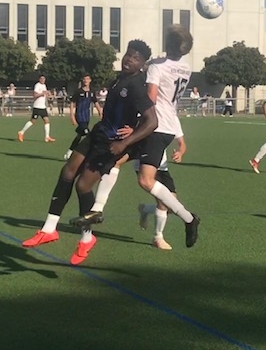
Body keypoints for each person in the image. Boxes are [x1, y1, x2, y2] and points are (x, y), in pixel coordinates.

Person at [21, 40, 157, 265]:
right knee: (67, 171)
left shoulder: (137, 86)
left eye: (136, 58)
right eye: (128, 54)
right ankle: (49, 229)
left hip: (112, 144)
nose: (129, 60)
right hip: (98, 133)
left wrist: (126, 142)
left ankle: (86, 239)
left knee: (83, 186)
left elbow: (152, 121)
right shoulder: (119, 79)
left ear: (142, 64)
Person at [73, 24, 200, 254]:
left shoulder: (156, 67)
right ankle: (97, 210)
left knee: (145, 180)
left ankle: (189, 218)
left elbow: (150, 99)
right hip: (169, 126)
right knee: (115, 160)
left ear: (168, 44)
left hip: (154, 128)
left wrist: (136, 127)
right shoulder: (186, 68)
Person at [64, 74, 103, 160]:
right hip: (79, 116)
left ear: (90, 80)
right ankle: (87, 155)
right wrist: (72, 116)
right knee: (88, 134)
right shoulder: (78, 91)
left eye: (87, 79)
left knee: (79, 136)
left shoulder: (92, 91)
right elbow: (72, 103)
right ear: (82, 80)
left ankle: (69, 152)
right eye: (84, 79)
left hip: (87, 117)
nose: (86, 80)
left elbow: (95, 102)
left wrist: (100, 112)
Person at [17, 75, 55, 143]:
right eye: (42, 79)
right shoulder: (37, 85)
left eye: (44, 79)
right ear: (39, 79)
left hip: (42, 106)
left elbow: (44, 94)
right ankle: (21, 132)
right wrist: (42, 93)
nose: (43, 80)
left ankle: (47, 137)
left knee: (46, 120)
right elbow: (35, 95)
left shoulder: (44, 85)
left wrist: (48, 94)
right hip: (37, 106)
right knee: (33, 121)